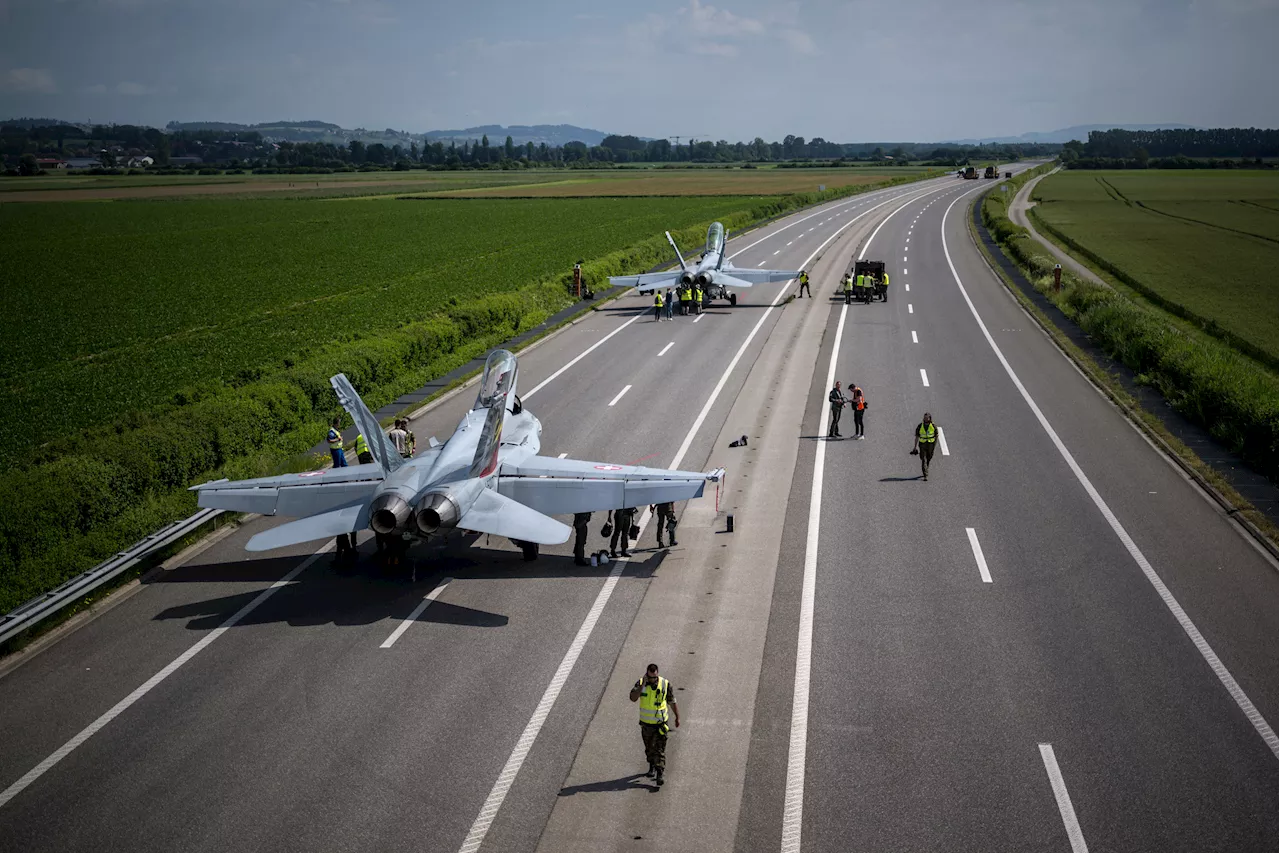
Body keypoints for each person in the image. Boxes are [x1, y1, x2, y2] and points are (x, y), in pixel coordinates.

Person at [629, 663, 680, 786]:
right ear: (646, 675)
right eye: (650, 677)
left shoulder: (665, 684)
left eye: (655, 677)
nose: (653, 680)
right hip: (646, 724)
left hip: (660, 723)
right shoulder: (641, 683)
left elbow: (672, 701)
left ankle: (660, 773)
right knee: (649, 748)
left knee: (660, 749)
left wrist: (677, 717)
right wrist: (642, 686)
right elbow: (633, 698)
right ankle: (651, 765)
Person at [911, 412, 939, 481]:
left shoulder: (933, 426)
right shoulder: (920, 426)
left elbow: (936, 435)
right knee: (923, 458)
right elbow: (917, 437)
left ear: (930, 418)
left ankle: (926, 467)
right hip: (922, 444)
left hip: (930, 444)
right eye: (924, 418)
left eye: (927, 418)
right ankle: (925, 475)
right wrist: (915, 447)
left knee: (929, 457)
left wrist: (934, 445)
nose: (925, 419)